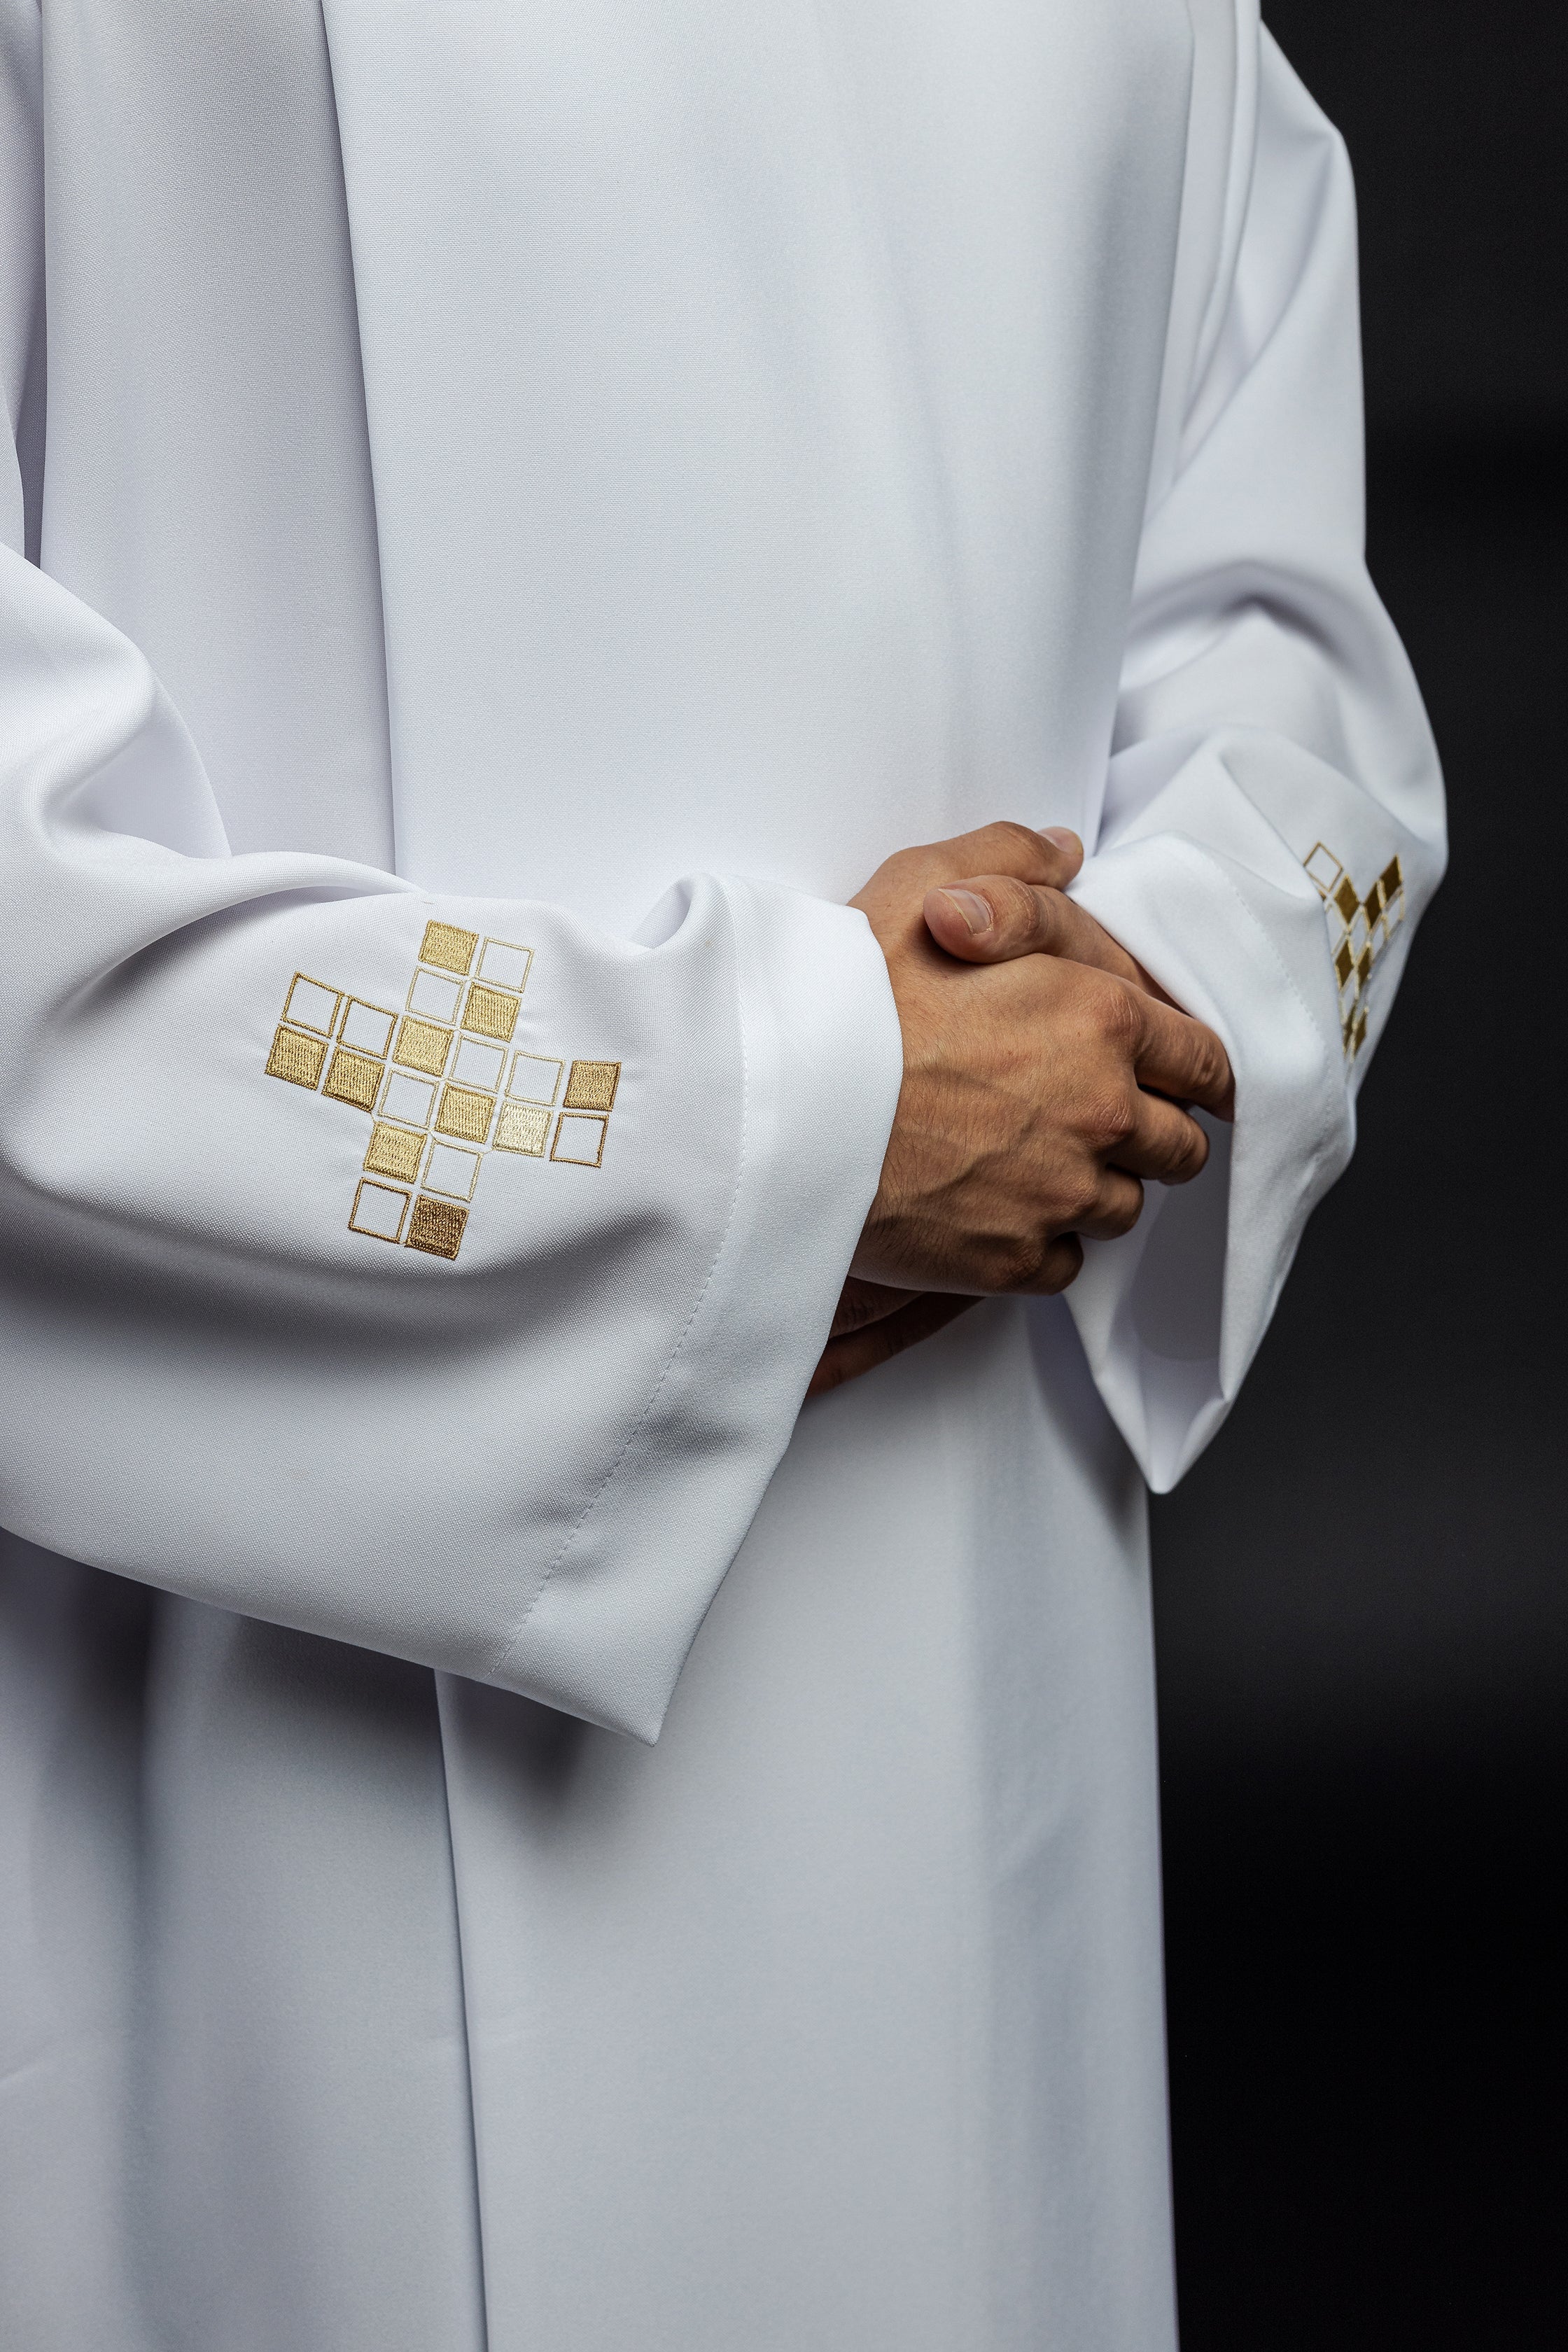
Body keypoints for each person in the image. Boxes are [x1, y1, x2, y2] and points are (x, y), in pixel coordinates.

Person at [0, 1, 1442, 2346]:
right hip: (278, 1683)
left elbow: (1300, 682)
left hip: (965, 1565)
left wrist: (1120, 1027)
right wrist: (767, 1133)